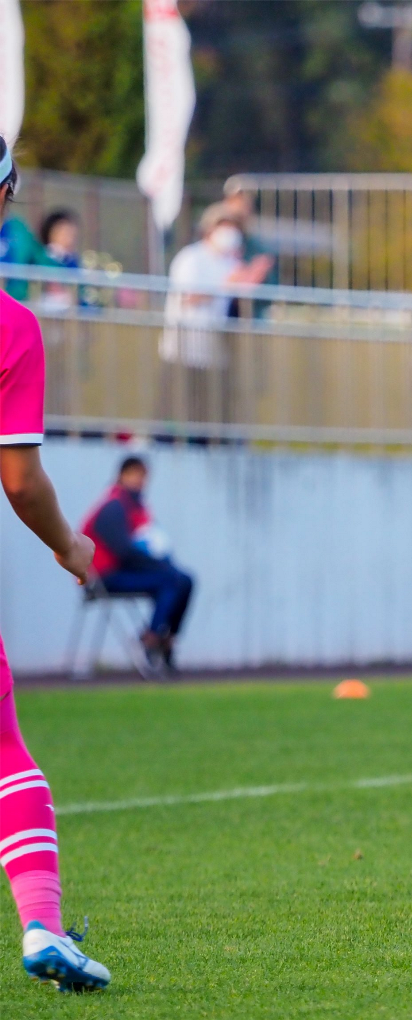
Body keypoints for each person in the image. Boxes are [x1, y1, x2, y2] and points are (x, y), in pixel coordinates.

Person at [0, 138, 112, 991]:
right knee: (6, 755)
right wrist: (69, 545)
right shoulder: (14, 326)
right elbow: (21, 480)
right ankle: (41, 925)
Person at [160, 203, 272, 424]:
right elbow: (189, 297)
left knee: (214, 415)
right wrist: (226, 286)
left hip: (217, 353)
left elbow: (238, 302)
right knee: (179, 414)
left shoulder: (232, 263)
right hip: (185, 350)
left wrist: (250, 281)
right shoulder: (192, 258)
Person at [82, 456, 195, 671]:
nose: (140, 481)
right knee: (170, 579)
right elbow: (124, 552)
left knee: (185, 580)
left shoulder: (137, 508)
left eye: (143, 477)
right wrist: (158, 565)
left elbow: (148, 545)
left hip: (123, 571)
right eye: (135, 475)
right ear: (121, 476)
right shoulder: (113, 507)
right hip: (104, 577)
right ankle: (151, 639)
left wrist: (162, 562)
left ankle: (167, 639)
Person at [221, 184, 279, 317]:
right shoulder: (214, 243)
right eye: (234, 202)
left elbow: (269, 286)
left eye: (244, 203)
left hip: (249, 316)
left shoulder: (258, 248)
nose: (239, 208)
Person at [36, 209, 81, 312]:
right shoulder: (43, 258)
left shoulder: (72, 260)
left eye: (72, 235)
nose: (69, 240)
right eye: (64, 234)